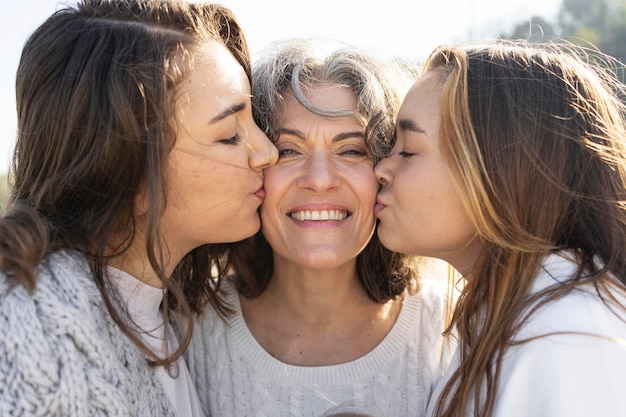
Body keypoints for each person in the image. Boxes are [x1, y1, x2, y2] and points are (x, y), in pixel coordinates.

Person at [0, 0, 277, 415]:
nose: (268, 152)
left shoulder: (159, 310)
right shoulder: (31, 330)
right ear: (130, 176)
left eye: (254, 120)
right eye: (229, 136)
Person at [185, 38, 454, 417]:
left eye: (351, 151)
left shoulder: (451, 331)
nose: (319, 179)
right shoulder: (184, 332)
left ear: (386, 172)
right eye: (289, 151)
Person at [374, 39, 626, 417]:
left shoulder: (570, 337)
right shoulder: (507, 320)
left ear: (499, 172)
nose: (382, 168)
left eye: (407, 150)